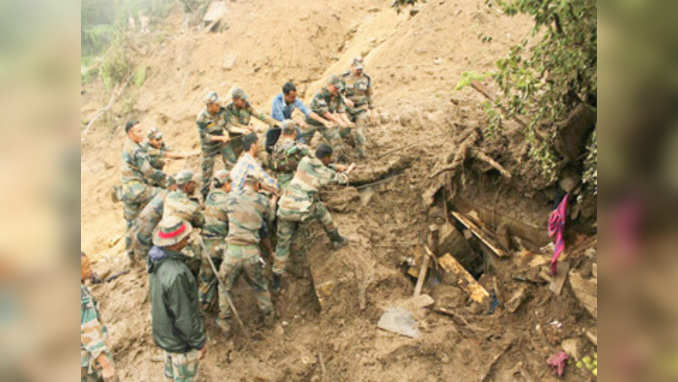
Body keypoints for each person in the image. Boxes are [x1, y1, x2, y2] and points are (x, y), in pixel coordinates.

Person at [272, 144, 351, 292]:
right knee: (322, 212)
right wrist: (346, 172)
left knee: (282, 244)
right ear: (326, 157)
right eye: (330, 159)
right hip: (301, 209)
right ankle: (336, 239)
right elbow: (340, 180)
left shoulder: (304, 160)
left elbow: (300, 150)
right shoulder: (324, 173)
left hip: (284, 206)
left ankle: (276, 278)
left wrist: (333, 167)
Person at [148, 217, 206, 381]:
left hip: (166, 337)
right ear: (175, 242)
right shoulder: (177, 273)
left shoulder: (155, 260)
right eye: (185, 237)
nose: (188, 240)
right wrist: (199, 342)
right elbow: (184, 315)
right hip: (181, 344)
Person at [216, 174, 275, 335]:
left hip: (232, 252)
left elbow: (221, 216)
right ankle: (269, 319)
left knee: (224, 287)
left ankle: (225, 325)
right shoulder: (262, 200)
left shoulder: (231, 197)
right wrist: (272, 202)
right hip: (251, 252)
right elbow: (270, 218)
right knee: (260, 286)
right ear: (257, 186)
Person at [120, 120, 173, 263]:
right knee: (164, 195)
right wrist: (166, 177)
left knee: (131, 223)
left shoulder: (129, 146)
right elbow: (148, 171)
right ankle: (164, 235)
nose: (141, 134)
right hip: (138, 189)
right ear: (131, 133)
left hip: (127, 191)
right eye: (138, 131)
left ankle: (131, 256)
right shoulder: (136, 149)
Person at [81, 252, 118, 382]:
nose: (91, 269)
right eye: (86, 267)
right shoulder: (81, 295)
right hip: (89, 360)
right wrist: (105, 364)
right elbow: (88, 329)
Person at [199, 170, 231, 312]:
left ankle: (203, 305)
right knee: (224, 280)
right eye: (231, 183)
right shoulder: (229, 201)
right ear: (226, 184)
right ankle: (224, 312)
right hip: (222, 245)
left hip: (206, 245)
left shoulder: (210, 197)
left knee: (206, 279)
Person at [303, 75, 354, 157]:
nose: (337, 90)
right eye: (335, 87)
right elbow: (325, 112)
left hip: (325, 124)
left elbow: (341, 111)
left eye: (338, 88)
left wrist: (347, 122)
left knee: (336, 139)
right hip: (311, 122)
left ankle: (339, 159)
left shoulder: (338, 96)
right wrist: (339, 122)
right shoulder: (320, 95)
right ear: (329, 85)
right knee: (303, 142)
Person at [196, 91, 231, 201]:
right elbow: (205, 137)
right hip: (209, 147)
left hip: (222, 143)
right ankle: (205, 197)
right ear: (210, 105)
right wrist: (221, 138)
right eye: (216, 105)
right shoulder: (201, 118)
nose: (218, 106)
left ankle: (230, 187)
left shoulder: (222, 111)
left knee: (231, 163)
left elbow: (227, 125)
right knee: (207, 173)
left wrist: (226, 133)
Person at [340, 57, 375, 158]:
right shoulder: (344, 78)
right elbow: (338, 93)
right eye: (357, 68)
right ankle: (346, 150)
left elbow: (369, 95)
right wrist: (345, 99)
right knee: (343, 131)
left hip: (361, 109)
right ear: (351, 67)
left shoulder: (366, 78)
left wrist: (372, 112)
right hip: (348, 110)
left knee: (359, 131)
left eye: (361, 68)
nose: (359, 71)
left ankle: (362, 155)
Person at [270, 120, 312, 192]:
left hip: (279, 183)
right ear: (295, 133)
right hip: (295, 183)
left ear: (282, 134)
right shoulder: (300, 147)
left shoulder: (276, 148)